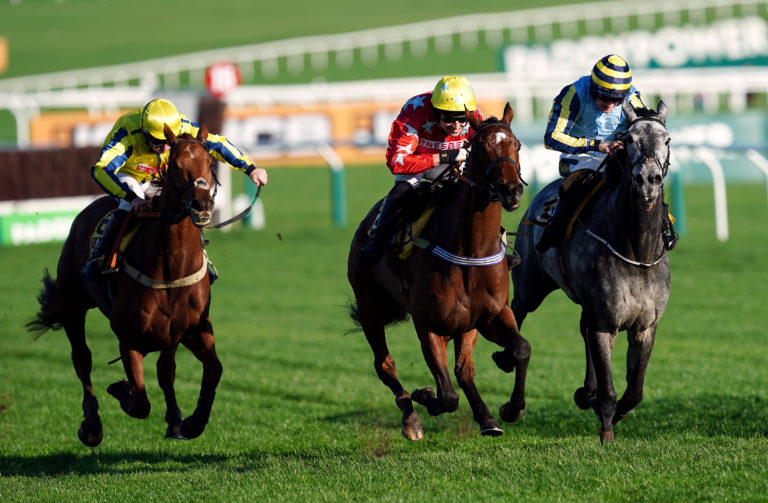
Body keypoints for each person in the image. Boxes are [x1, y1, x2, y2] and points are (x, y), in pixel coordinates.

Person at [82, 98, 268, 280]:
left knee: (187, 203)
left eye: (168, 143)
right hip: (129, 175)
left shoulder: (182, 126)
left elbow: (218, 144)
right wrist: (132, 198)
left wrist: (250, 169)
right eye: (157, 142)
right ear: (145, 133)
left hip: (159, 174)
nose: (164, 148)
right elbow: (101, 169)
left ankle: (201, 259)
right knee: (130, 204)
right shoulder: (128, 134)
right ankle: (101, 256)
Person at [359, 74, 484, 268]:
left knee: (473, 190)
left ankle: (494, 242)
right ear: (436, 111)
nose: (457, 127)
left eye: (462, 120)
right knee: (403, 190)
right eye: (450, 120)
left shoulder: (475, 117)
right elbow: (397, 163)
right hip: (414, 162)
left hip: (448, 167)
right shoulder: (415, 111)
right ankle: (377, 243)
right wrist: (444, 157)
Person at [536, 54, 649, 252]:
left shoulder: (630, 96)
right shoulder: (573, 94)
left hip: (617, 155)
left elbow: (644, 121)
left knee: (645, 179)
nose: (610, 104)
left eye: (616, 99)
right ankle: (556, 224)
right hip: (579, 157)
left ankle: (661, 225)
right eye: (605, 97)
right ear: (594, 90)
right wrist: (596, 145)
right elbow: (552, 137)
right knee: (590, 178)